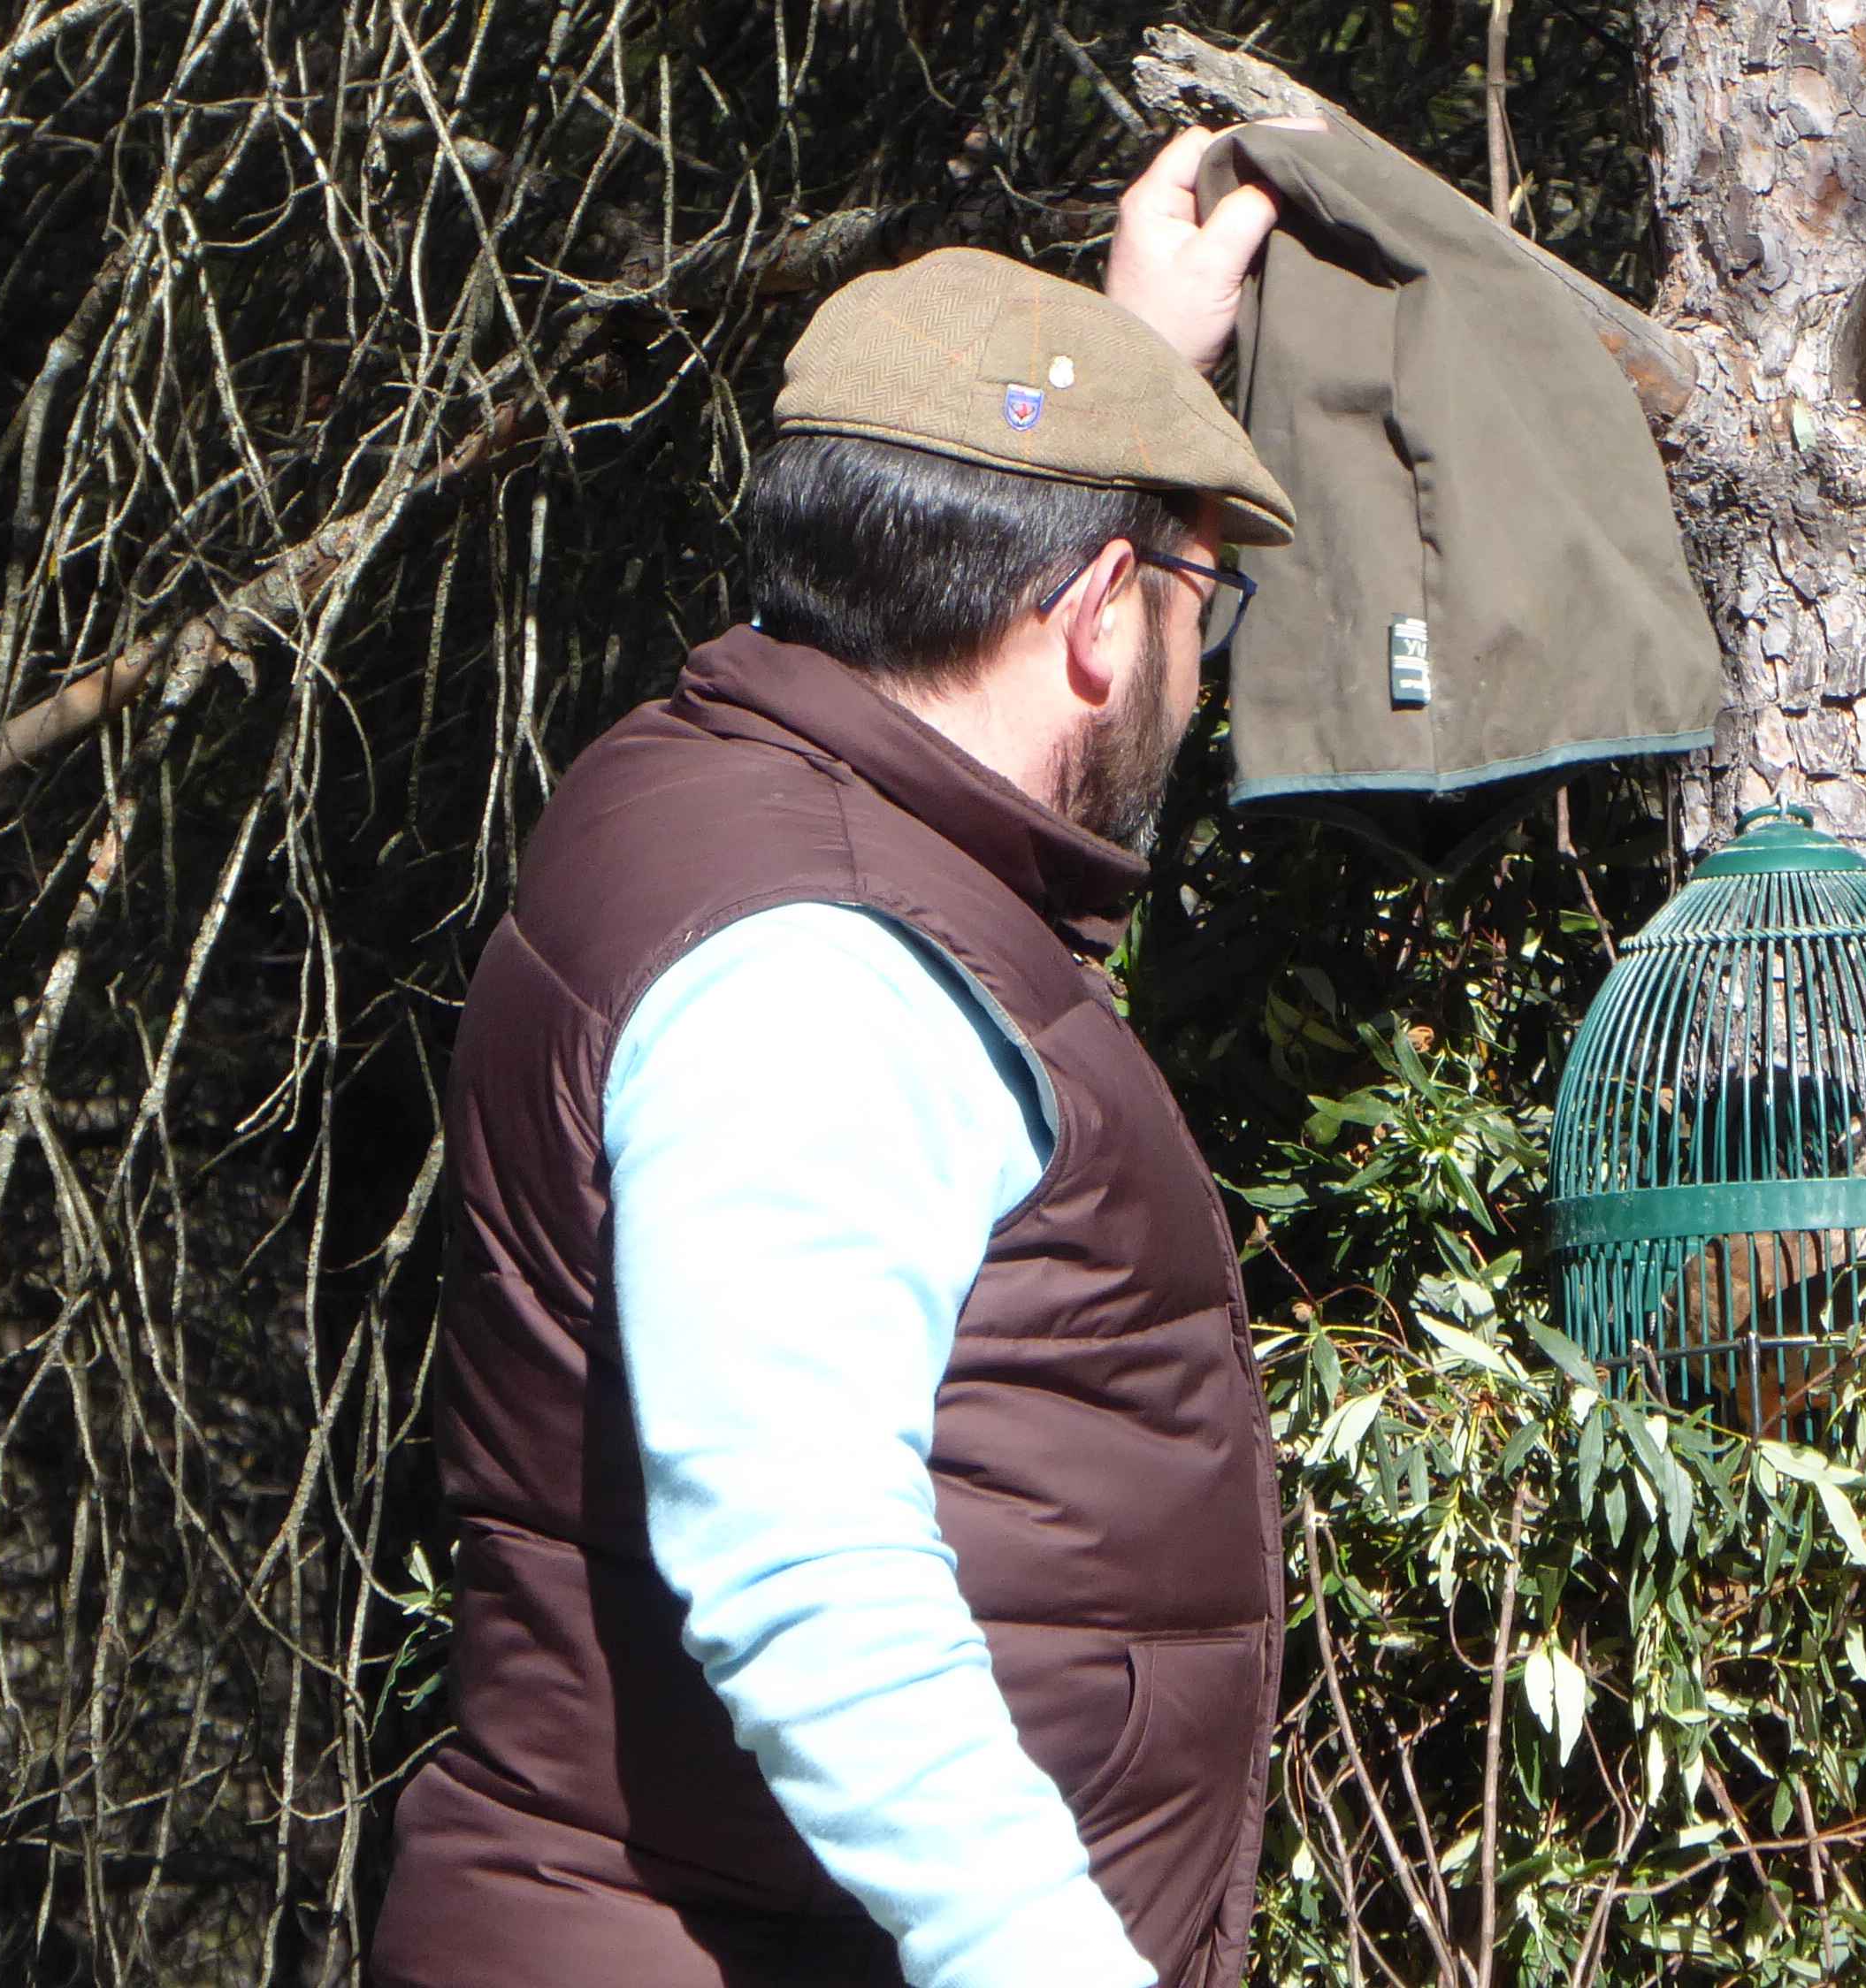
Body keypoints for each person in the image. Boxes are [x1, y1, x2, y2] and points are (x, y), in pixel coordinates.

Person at [372, 127, 1299, 1988]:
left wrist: (1121, 366)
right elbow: (805, 1569)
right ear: (1094, 618)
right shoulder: (820, 973)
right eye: (1201, 606)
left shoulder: (733, 786)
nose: (1201, 680)